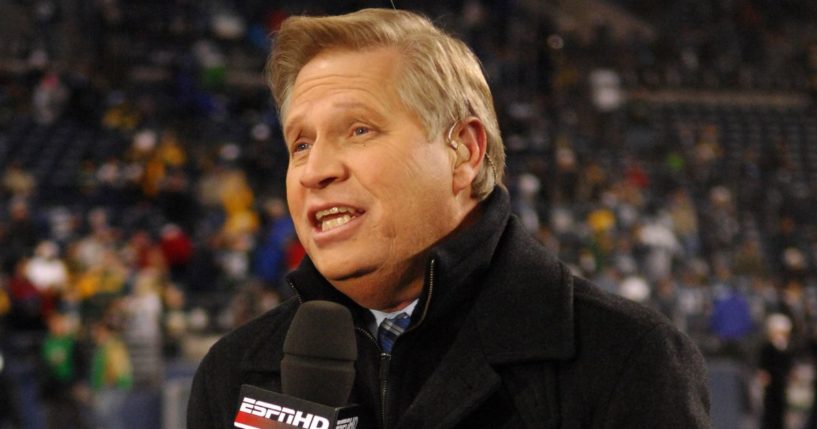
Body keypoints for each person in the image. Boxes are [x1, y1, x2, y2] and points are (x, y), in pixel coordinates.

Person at [187, 8, 710, 428]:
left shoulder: (623, 360)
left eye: (359, 130)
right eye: (300, 143)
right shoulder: (236, 373)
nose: (315, 170)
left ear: (463, 151)